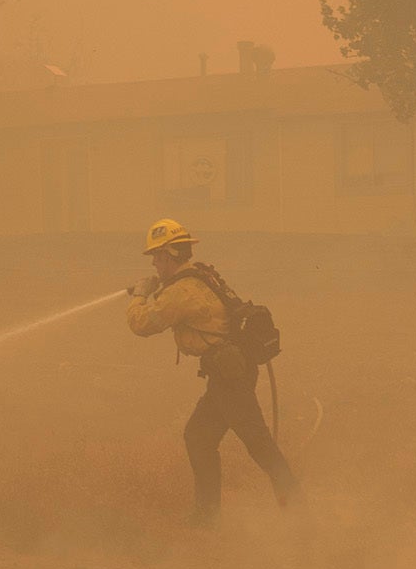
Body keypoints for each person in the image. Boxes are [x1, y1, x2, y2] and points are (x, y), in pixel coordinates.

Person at [124, 217, 300, 523]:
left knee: (259, 446)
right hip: (228, 372)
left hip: (229, 378)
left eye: (156, 256)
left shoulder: (182, 292)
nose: (153, 263)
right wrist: (158, 288)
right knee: (198, 437)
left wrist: (141, 294)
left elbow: (142, 323)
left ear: (169, 255)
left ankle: (298, 514)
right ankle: (207, 516)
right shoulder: (196, 277)